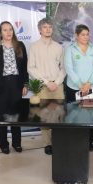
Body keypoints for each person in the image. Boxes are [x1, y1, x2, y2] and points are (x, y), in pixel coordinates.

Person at [0, 21, 28, 154]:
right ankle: (3, 144)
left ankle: (16, 143)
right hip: (1, 86)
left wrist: (25, 84)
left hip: (16, 84)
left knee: (16, 116)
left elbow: (24, 68)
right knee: (3, 117)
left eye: (10, 29)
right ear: (0, 32)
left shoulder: (20, 45)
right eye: (5, 30)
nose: (8, 32)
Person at [27, 18, 65, 155]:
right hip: (43, 87)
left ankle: (58, 141)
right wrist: (46, 82)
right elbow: (31, 68)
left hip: (57, 86)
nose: (48, 29)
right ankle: (47, 144)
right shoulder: (34, 46)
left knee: (58, 115)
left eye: (50, 27)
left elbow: (63, 68)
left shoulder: (59, 47)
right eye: (44, 27)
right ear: (40, 29)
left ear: (52, 29)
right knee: (44, 117)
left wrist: (57, 82)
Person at [64, 24, 93, 151]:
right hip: (74, 88)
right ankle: (75, 141)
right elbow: (69, 68)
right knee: (74, 115)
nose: (86, 37)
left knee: (90, 115)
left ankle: (89, 142)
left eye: (87, 34)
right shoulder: (70, 49)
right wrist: (80, 85)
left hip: (91, 87)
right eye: (82, 34)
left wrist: (89, 83)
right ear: (76, 36)